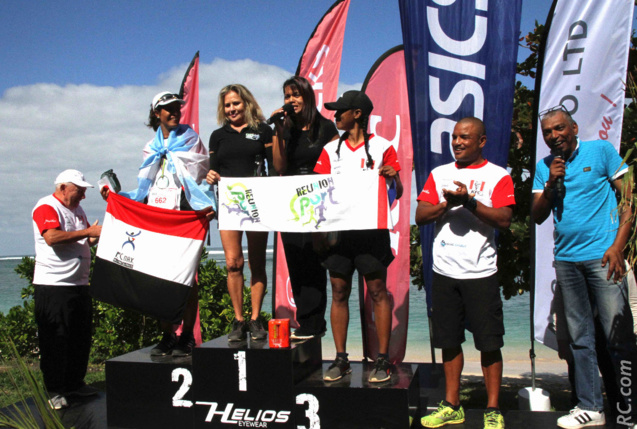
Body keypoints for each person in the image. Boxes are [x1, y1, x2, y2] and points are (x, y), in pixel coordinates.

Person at [531, 106, 637, 429]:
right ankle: (591, 407)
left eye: (559, 128)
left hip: (604, 258)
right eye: (548, 132)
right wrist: (551, 183)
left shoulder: (601, 151)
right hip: (567, 261)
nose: (553, 136)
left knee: (617, 337)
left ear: (574, 128)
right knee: (579, 337)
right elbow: (536, 214)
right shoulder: (545, 167)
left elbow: (630, 199)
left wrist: (618, 247)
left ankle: (629, 411)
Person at [416, 117, 513, 429]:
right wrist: (447, 202)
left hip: (481, 272)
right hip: (444, 271)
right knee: (448, 340)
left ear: (482, 141)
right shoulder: (439, 174)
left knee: (488, 342)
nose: (457, 142)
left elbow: (504, 219)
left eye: (465, 138)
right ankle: (451, 404)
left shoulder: (498, 176)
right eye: (454, 137)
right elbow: (421, 215)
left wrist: (469, 202)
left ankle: (493, 408)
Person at [101, 91, 214, 357]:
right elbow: (144, 185)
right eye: (168, 109)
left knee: (188, 281)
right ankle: (166, 335)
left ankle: (186, 336)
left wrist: (209, 204)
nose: (174, 112)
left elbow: (202, 176)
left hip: (184, 215)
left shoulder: (191, 139)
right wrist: (118, 198)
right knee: (157, 279)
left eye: (177, 107)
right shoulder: (149, 148)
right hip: (157, 216)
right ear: (156, 113)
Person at [313, 90, 403, 383]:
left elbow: (397, 193)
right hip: (339, 234)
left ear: (358, 114)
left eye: (341, 111)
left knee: (377, 292)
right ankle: (341, 358)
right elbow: (317, 193)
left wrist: (393, 178)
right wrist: (320, 232)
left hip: (371, 232)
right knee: (339, 292)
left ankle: (382, 359)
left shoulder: (383, 146)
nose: (335, 115)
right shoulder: (329, 150)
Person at [270, 76, 339, 340]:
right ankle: (305, 320)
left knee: (315, 260)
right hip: (290, 201)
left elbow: (337, 163)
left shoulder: (325, 127)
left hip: (319, 202)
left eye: (296, 95)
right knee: (296, 260)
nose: (291, 101)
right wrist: (277, 130)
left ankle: (316, 323)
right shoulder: (285, 128)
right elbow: (279, 167)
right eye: (287, 96)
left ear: (308, 97)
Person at [206, 84, 272, 341]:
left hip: (257, 203)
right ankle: (238, 320)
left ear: (246, 103)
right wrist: (210, 175)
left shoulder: (263, 130)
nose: (232, 109)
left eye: (236, 103)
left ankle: (255, 319)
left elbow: (274, 169)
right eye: (227, 105)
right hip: (229, 205)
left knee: (257, 263)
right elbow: (213, 172)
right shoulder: (217, 136)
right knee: (234, 263)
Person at [32, 169, 102, 410]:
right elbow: (52, 237)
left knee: (80, 337)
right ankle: (55, 390)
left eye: (84, 191)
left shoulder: (77, 210)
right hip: (54, 285)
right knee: (56, 338)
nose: (83, 196)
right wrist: (88, 232)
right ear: (63, 188)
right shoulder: (46, 206)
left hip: (79, 284)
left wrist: (94, 237)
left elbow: (81, 239)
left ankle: (74, 383)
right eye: (79, 191)